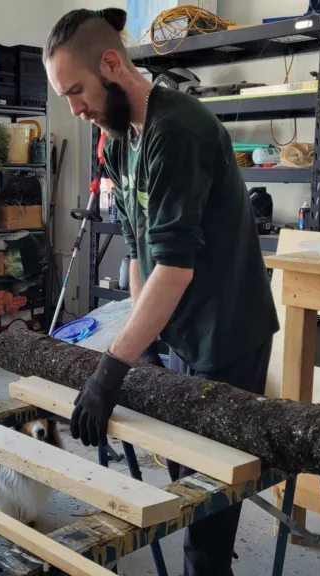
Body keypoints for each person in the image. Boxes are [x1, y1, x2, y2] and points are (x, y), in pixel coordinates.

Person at [43, 8, 279, 576]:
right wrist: (140, 340)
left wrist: (111, 368)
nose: (75, 109)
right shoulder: (118, 141)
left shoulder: (180, 130)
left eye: (77, 91)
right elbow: (139, 252)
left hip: (224, 333)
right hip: (174, 327)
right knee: (181, 469)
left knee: (210, 490)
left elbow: (175, 269)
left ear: (110, 63)